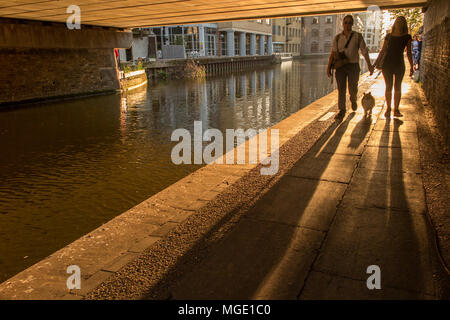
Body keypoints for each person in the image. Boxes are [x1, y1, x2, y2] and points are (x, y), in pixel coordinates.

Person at [327, 15, 374, 119]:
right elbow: (333, 53)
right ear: (342, 24)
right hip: (340, 67)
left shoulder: (358, 36)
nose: (347, 24)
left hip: (353, 66)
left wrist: (369, 65)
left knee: (353, 88)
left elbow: (364, 51)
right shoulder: (338, 38)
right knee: (341, 89)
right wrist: (328, 68)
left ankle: (353, 99)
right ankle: (342, 110)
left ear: (352, 24)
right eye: (345, 22)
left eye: (349, 22)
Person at [380, 16, 413, 117]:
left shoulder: (407, 37)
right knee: (388, 87)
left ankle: (396, 110)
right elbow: (383, 50)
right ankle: (388, 108)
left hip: (399, 64)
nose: (399, 23)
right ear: (394, 23)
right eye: (397, 21)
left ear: (404, 24)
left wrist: (412, 66)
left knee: (398, 87)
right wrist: (374, 64)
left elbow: (409, 53)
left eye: (401, 22)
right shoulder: (388, 36)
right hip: (387, 64)